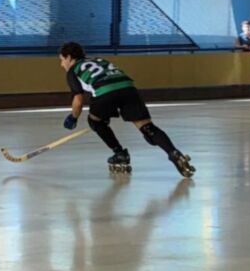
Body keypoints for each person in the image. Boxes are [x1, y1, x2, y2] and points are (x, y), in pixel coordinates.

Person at [59, 42, 195, 177]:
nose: (62, 64)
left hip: (105, 92)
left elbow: (78, 100)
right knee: (148, 128)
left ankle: (120, 153)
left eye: (62, 60)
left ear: (69, 57)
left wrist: (73, 117)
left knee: (95, 121)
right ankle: (174, 153)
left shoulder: (73, 71)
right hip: (128, 89)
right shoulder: (100, 60)